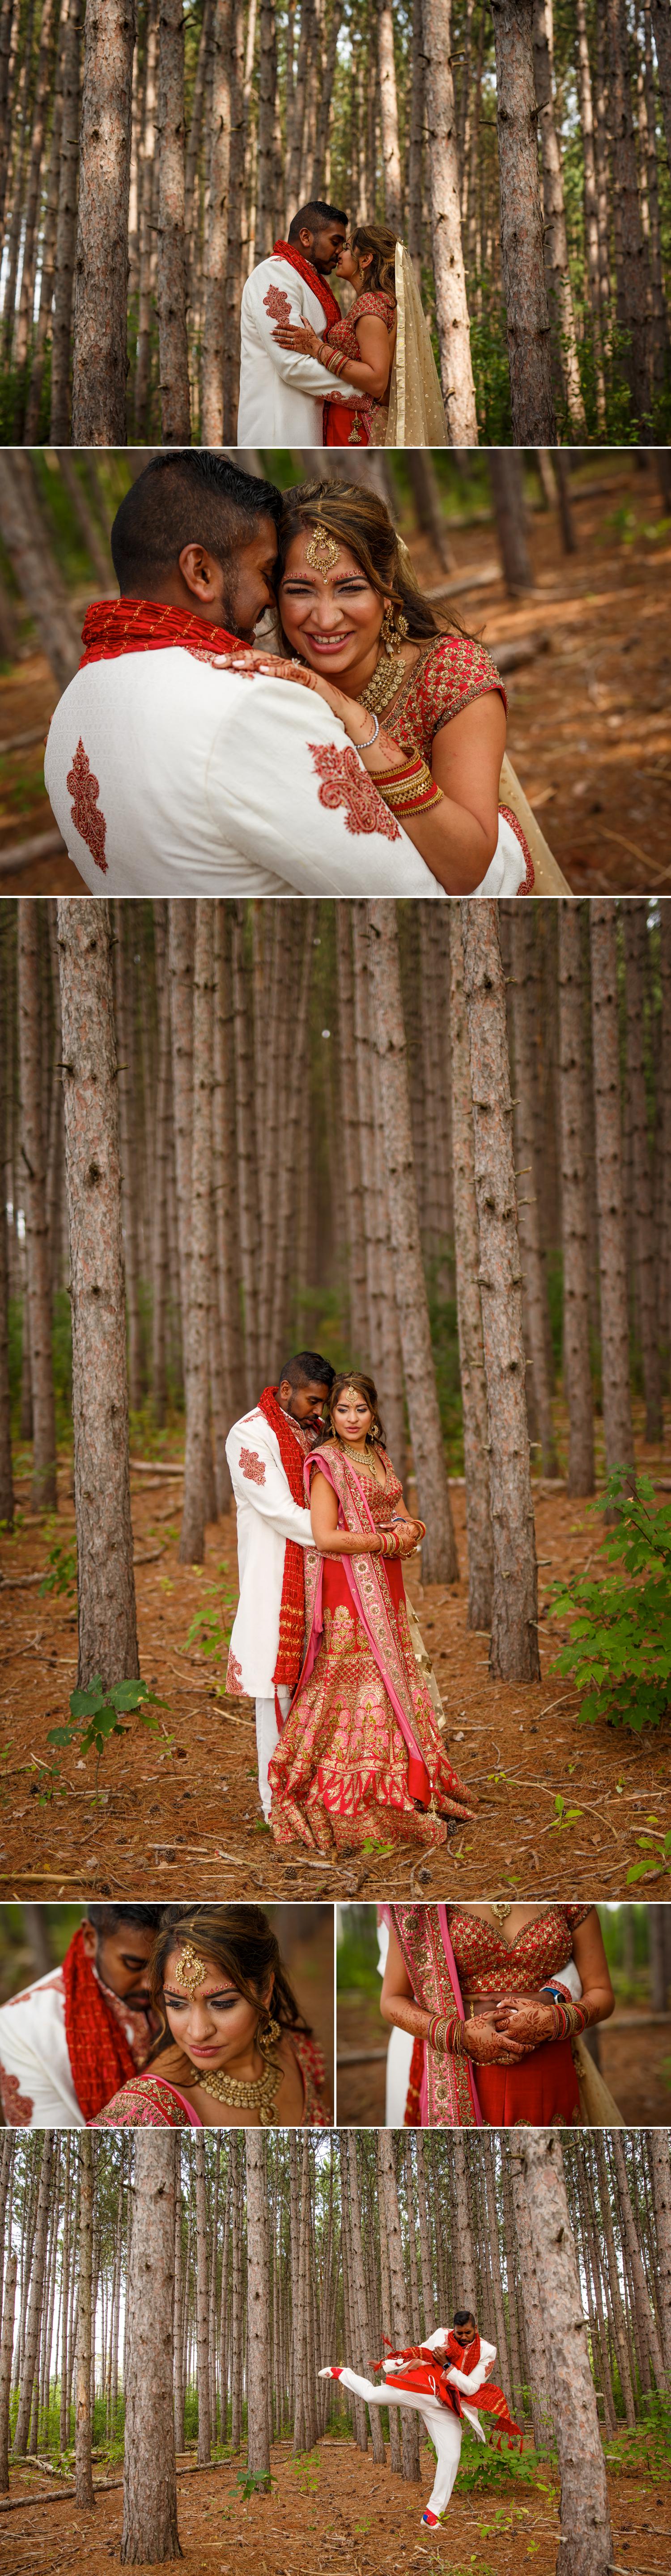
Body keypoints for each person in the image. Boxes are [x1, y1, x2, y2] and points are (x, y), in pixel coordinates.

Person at [43, 451, 446, 901]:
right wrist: (509, 842)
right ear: (201, 572)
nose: (271, 601)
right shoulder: (249, 703)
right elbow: (415, 893)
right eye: (266, 572)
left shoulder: (72, 706)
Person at [216, 477, 570, 898]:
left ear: (388, 592)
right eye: (300, 590)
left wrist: (357, 722)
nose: (326, 619)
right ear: (274, 595)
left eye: (351, 588)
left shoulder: (449, 673)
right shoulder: (276, 685)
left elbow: (467, 868)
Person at [268, 1371, 476, 1856]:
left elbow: (401, 1512)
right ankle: (357, 1792)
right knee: (361, 1682)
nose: (352, 1418)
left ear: (374, 1412)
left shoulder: (378, 1456)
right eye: (343, 1410)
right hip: (350, 1589)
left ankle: (406, 1785)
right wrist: (387, 1540)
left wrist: (414, 1529)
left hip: (388, 1584)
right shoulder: (328, 1464)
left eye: (360, 1409)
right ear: (331, 1416)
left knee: (393, 1679)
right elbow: (325, 1537)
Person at [92, 1905, 331, 2128]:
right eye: (176, 2004)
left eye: (222, 2004)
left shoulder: (302, 2052)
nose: (198, 2032)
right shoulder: (144, 2112)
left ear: (265, 1991)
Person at [382, 1903, 617, 2126]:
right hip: (461, 2069)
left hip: (550, 2063)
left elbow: (601, 1991)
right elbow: (393, 2000)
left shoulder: (570, 1897)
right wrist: (458, 2034)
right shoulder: (418, 1906)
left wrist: (558, 2019)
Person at [225, 1353, 335, 1819]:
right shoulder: (249, 1434)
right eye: (314, 1400)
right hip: (275, 1576)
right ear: (286, 1390)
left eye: (323, 1403)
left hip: (320, 1572)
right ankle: (276, 1804)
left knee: (316, 1686)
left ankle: (313, 1789)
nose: (320, 1411)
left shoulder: (312, 1431)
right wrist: (353, 1538)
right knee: (277, 1690)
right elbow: (279, 1510)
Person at [319, 2310, 521, 2529]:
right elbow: (420, 2353)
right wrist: (388, 2363)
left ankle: (432, 2514)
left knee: (451, 2456)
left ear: (475, 2329)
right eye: (460, 2333)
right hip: (421, 2389)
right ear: (454, 2329)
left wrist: (446, 2365)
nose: (463, 2337)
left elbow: (471, 2388)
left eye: (468, 2333)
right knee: (371, 2396)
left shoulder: (488, 2351)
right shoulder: (442, 2335)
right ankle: (344, 2373)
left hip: (446, 2406)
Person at [271, 224, 447, 449]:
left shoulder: (371, 304)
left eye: (346, 248)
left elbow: (376, 382)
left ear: (365, 260)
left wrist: (318, 349)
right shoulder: (381, 301)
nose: (339, 254)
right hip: (353, 418)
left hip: (355, 424)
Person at [0, 1904, 164, 2126]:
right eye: (134, 1964)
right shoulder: (20, 2026)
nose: (152, 1983)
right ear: (91, 1939)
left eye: (161, 1966)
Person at [238, 200, 351, 446]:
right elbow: (292, 365)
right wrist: (363, 391)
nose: (340, 252)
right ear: (306, 237)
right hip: (279, 429)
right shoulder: (274, 275)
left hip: (310, 423)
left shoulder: (306, 279)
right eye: (335, 241)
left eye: (343, 245)